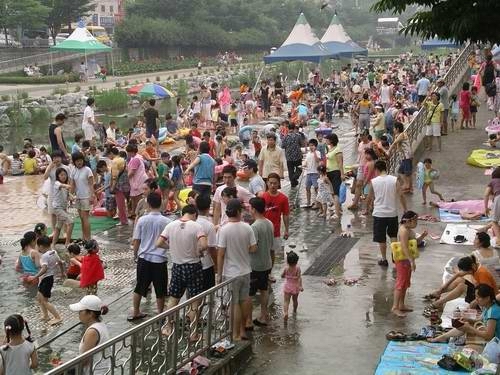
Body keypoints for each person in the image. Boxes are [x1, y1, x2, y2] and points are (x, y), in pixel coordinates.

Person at [156, 205, 207, 338]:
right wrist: (199, 251)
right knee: (195, 300)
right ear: (195, 215)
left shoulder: (171, 225)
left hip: (177, 266)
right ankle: (193, 333)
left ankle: (168, 327)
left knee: (173, 298)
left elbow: (159, 243)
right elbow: (204, 244)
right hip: (193, 266)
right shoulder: (196, 226)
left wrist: (171, 247)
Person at [428, 283, 500, 364]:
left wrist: (470, 328)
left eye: (478, 297)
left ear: (487, 298)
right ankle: (442, 337)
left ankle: (442, 337)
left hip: (496, 344)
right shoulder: (488, 307)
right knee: (464, 326)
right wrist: (467, 320)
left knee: (466, 350)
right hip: (491, 338)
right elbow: (480, 319)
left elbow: (488, 335)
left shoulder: (492, 312)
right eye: (475, 296)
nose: (476, 299)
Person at [217, 199, 257, 340]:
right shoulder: (247, 228)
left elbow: (221, 254)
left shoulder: (224, 230)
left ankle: (235, 334)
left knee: (234, 303)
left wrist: (219, 275)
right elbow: (253, 248)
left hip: (231, 273)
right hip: (245, 270)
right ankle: (242, 330)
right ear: (239, 212)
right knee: (244, 300)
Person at [130, 192, 172, 321]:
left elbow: (136, 240)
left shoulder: (142, 220)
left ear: (148, 204)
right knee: (161, 289)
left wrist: (135, 255)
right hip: (159, 260)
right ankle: (160, 313)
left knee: (139, 287)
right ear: (161, 204)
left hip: (144, 258)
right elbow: (169, 241)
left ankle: (136, 311)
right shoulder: (167, 222)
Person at [367, 160, 407, 267]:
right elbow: (401, 195)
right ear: (386, 168)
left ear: (376, 169)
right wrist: (405, 209)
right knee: (393, 235)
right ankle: (395, 256)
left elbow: (369, 197)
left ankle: (384, 259)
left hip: (379, 214)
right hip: (392, 213)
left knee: (381, 238)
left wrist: (368, 208)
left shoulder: (374, 181)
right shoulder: (394, 180)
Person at [391, 211, 427, 317]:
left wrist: (423, 236)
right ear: (409, 221)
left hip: (407, 259)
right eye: (415, 221)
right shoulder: (403, 231)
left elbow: (415, 242)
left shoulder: (408, 229)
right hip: (403, 260)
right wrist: (411, 261)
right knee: (401, 283)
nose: (416, 223)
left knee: (405, 283)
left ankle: (401, 304)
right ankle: (395, 307)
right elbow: (404, 247)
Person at [247, 197, 274, 328]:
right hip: (267, 262)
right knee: (264, 290)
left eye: (249, 207)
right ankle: (264, 315)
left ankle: (248, 319)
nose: (248, 209)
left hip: (255, 265)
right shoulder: (269, 223)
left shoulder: (254, 227)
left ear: (254, 209)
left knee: (250, 294)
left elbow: (253, 247)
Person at [69, 295, 110, 373]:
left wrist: (64, 369)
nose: (79, 313)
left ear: (91, 313)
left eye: (81, 311)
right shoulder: (100, 324)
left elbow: (84, 360)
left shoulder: (92, 332)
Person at [30, 236, 64, 325]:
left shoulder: (44, 256)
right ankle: (45, 315)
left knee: (44, 301)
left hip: (46, 279)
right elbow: (60, 262)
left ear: (41, 246)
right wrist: (62, 272)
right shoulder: (54, 252)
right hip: (49, 278)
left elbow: (44, 269)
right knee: (39, 298)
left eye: (37, 246)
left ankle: (57, 317)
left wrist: (35, 276)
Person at [262, 173, 290, 267]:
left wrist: (286, 230)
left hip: (275, 229)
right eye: (271, 183)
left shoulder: (283, 198)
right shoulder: (262, 197)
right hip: (262, 229)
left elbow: (285, 215)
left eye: (275, 183)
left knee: (272, 251)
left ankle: (270, 271)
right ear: (267, 183)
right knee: (262, 250)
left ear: (279, 184)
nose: (273, 185)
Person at [70, 152, 95, 241]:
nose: (79, 162)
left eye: (80, 160)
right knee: (81, 218)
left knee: (85, 218)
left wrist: (92, 196)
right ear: (74, 162)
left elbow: (91, 184)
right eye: (77, 161)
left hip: (86, 196)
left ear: (83, 160)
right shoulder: (73, 170)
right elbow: (72, 185)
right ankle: (84, 237)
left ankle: (88, 238)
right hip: (78, 197)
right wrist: (70, 195)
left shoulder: (87, 170)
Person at [195, 195, 217, 291]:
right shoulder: (209, 225)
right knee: (208, 294)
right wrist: (217, 265)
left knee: (193, 295)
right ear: (209, 208)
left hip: (192, 264)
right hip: (206, 265)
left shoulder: (192, 222)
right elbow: (212, 249)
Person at [51, 167, 74, 248]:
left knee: (58, 227)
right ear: (58, 176)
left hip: (63, 208)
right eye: (61, 175)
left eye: (65, 175)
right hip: (57, 208)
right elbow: (62, 186)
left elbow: (69, 197)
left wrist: (73, 198)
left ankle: (53, 245)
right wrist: (67, 186)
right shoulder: (57, 183)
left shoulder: (66, 186)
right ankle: (67, 243)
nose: (63, 176)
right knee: (71, 222)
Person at [389, 122, 413, 192]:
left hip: (406, 156)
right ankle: (408, 186)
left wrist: (389, 151)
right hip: (403, 157)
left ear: (397, 129)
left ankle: (407, 186)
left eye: (394, 128)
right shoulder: (398, 135)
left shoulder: (402, 134)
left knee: (407, 172)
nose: (393, 129)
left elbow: (395, 143)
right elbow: (397, 146)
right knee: (401, 171)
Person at [325, 133, 344, 220]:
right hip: (329, 172)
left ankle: (337, 213)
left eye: (327, 139)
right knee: (333, 192)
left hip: (336, 172)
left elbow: (340, 162)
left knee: (336, 193)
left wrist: (342, 174)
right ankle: (338, 209)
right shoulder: (330, 149)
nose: (326, 140)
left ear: (331, 140)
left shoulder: (337, 150)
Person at [126, 144, 148, 218]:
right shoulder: (137, 157)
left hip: (138, 180)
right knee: (133, 197)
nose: (127, 154)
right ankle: (134, 212)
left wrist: (126, 178)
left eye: (128, 152)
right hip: (139, 179)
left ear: (131, 152)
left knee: (138, 197)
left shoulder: (135, 159)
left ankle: (138, 213)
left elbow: (132, 172)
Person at [281, 250, 303, 321]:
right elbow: (299, 278)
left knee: (286, 301)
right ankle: (294, 311)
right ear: (296, 261)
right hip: (295, 287)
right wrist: (300, 286)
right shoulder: (297, 268)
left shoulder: (286, 268)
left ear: (287, 261)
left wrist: (285, 276)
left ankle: (286, 313)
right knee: (295, 300)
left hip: (287, 286)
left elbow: (282, 275)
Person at [108, 147, 128, 226]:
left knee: (120, 203)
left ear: (111, 153)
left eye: (109, 155)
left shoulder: (115, 161)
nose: (109, 157)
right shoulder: (122, 159)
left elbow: (114, 176)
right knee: (122, 203)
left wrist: (112, 186)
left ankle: (123, 220)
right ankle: (124, 219)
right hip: (124, 184)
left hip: (118, 185)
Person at [281, 123, 304, 188]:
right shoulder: (298, 136)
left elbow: (282, 146)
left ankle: (293, 183)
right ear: (294, 128)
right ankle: (294, 179)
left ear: (288, 128)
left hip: (289, 157)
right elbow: (301, 144)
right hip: (297, 156)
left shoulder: (285, 137)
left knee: (290, 171)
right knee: (299, 169)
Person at [484, 167, 500, 241]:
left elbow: (486, 194)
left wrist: (486, 208)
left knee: (494, 222)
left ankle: (499, 240)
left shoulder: (493, 181)